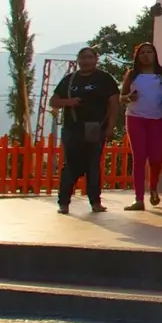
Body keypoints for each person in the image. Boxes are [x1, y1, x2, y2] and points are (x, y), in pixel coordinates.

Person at [49, 46, 119, 214]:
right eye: (83, 58)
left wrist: (110, 127)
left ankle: (95, 202)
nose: (86, 61)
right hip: (73, 129)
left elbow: (114, 103)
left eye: (89, 57)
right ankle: (63, 202)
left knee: (93, 165)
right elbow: (54, 101)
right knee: (70, 166)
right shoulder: (70, 80)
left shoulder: (105, 79)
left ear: (96, 59)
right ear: (78, 60)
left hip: (95, 128)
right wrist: (69, 102)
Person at [121, 41, 162, 211]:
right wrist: (129, 97)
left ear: (155, 55)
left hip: (157, 119)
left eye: (149, 52)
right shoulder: (132, 75)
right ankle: (138, 198)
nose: (146, 55)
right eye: (142, 52)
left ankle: (153, 188)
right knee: (139, 159)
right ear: (138, 56)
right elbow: (121, 97)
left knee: (156, 158)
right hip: (135, 118)